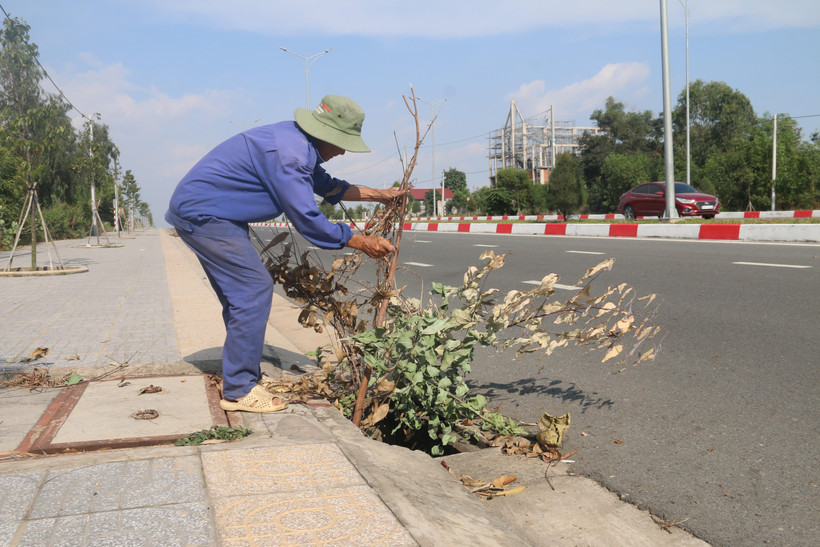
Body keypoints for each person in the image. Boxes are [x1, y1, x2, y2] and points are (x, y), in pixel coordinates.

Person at [165, 94, 402, 413]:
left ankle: (240, 373)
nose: (343, 150)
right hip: (205, 216)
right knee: (252, 289)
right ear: (324, 134)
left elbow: (329, 186)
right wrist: (359, 240)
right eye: (341, 142)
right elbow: (307, 218)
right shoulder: (290, 154)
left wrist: (381, 195)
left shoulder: (296, 142)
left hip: (217, 214)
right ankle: (239, 389)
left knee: (241, 295)